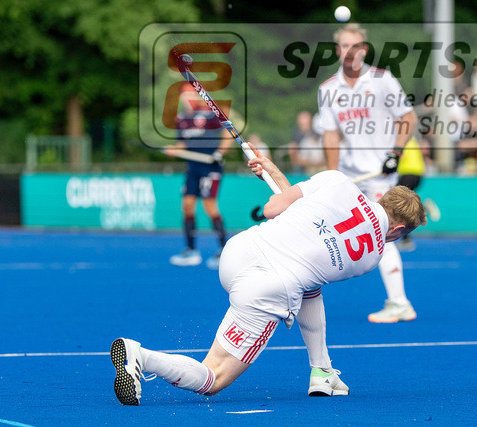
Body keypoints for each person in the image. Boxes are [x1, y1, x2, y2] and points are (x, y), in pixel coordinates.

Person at [110, 163, 426, 406]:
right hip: (265, 289)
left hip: (237, 253)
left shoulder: (337, 180)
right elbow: (310, 276)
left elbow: (275, 209)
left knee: (308, 282)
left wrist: (273, 172)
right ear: (397, 229)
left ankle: (322, 371)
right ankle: (140, 356)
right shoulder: (373, 256)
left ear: (382, 196)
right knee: (214, 378)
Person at [316, 23, 421, 323]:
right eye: (345, 46)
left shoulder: (382, 80)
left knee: (380, 233)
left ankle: (399, 303)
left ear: (364, 49)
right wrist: (332, 176)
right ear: (338, 50)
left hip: (379, 174)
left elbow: (408, 118)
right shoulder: (328, 90)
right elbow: (330, 136)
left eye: (356, 45)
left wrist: (395, 153)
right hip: (349, 175)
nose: (351, 51)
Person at [164, 83, 233, 269]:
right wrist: (173, 150)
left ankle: (223, 251)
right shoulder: (181, 119)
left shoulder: (210, 114)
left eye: (190, 94)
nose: (186, 99)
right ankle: (190, 250)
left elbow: (229, 130)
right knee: (187, 206)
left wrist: (220, 151)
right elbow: (182, 145)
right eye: (183, 95)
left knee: (210, 207)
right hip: (192, 168)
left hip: (211, 167)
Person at [394, 137, 426, 252]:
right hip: (418, 174)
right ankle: (421, 207)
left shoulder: (401, 140)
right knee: (402, 205)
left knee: (399, 205)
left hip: (408, 173)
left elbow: (399, 157)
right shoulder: (412, 139)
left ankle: (422, 209)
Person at [288, 110, 325, 175]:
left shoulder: (316, 135)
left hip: (318, 162)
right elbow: (293, 151)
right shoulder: (297, 135)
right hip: (305, 164)